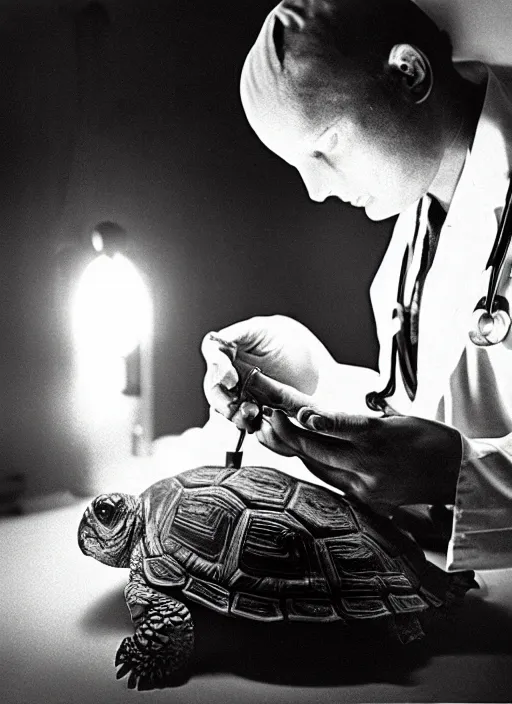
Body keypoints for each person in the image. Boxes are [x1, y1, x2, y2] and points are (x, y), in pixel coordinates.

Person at [201, 0, 512, 572]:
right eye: (298, 164)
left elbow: (450, 455)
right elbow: (426, 416)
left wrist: (452, 472)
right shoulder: (417, 215)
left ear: (407, 73)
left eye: (327, 145)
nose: (316, 191)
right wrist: (312, 378)